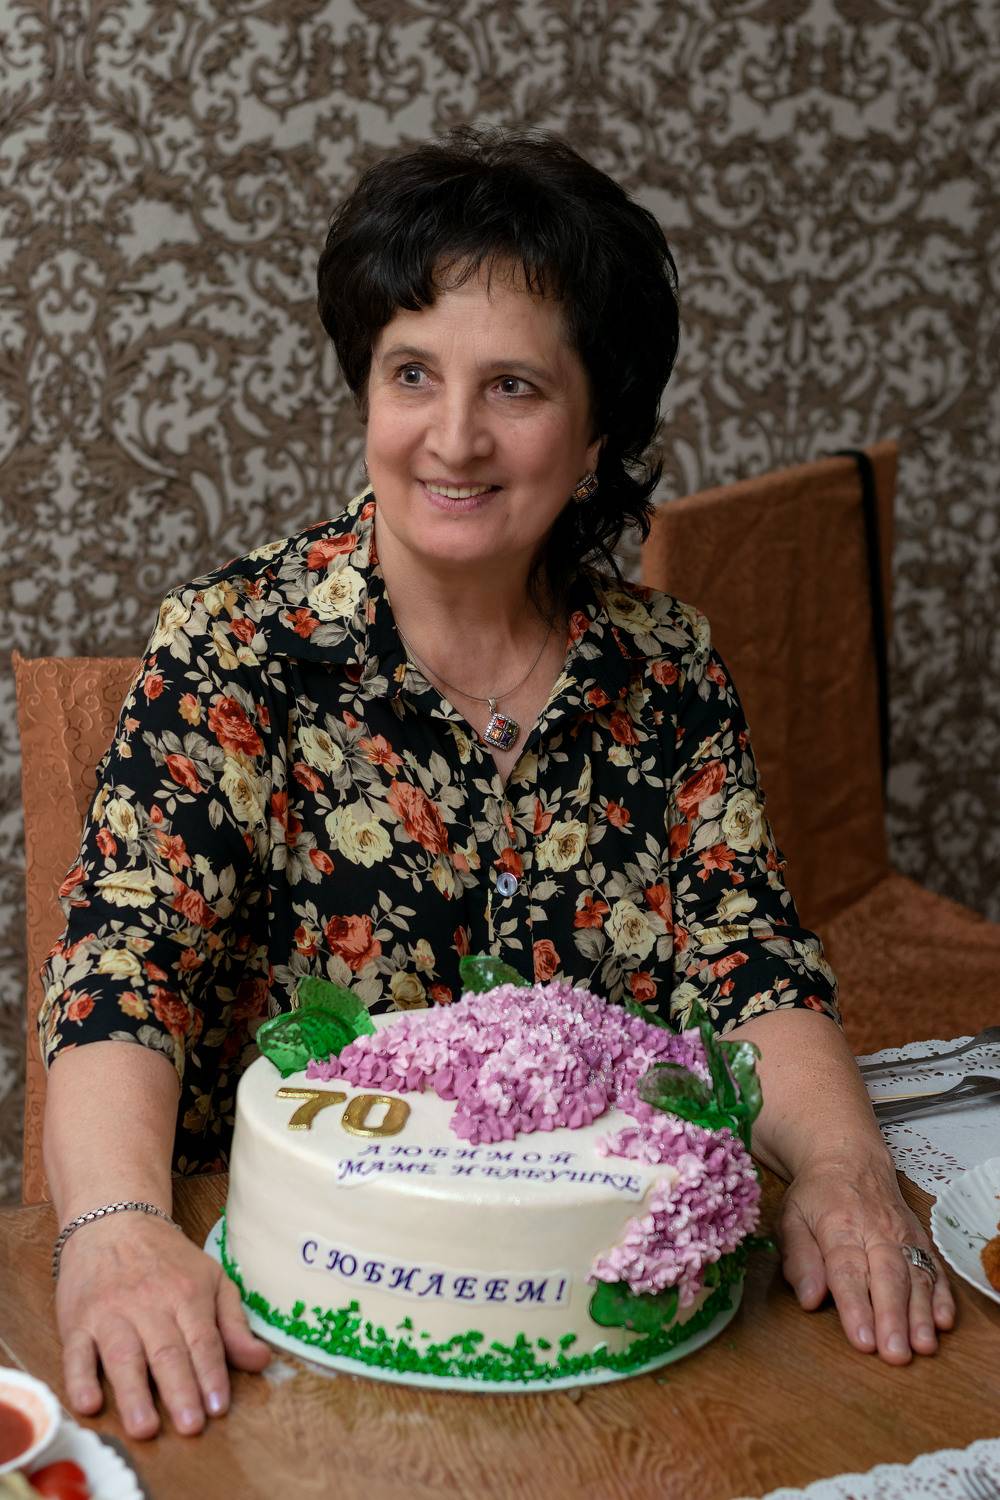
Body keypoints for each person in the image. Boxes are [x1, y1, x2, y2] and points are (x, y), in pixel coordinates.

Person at [38, 126, 952, 1440]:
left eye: (514, 386)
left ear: (595, 438)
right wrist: (115, 1227)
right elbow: (124, 976)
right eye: (413, 373)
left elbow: (749, 962)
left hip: (622, 1339)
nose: (453, 438)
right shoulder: (234, 648)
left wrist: (849, 1169)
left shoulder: (667, 668)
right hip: (285, 1332)